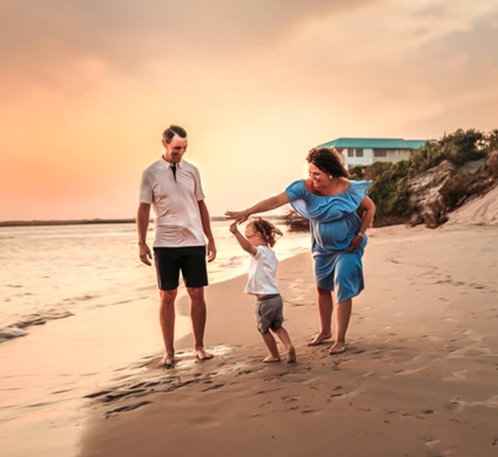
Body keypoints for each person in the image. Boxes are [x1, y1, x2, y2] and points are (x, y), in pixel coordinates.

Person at [226, 146, 375, 355]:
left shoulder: (347, 188)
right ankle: (325, 331)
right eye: (310, 173)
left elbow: (370, 208)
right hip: (322, 249)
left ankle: (340, 339)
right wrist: (250, 211)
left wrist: (359, 235)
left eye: (317, 174)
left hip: (348, 246)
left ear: (329, 172)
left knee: (342, 284)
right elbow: (277, 200)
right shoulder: (303, 188)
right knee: (322, 288)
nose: (312, 178)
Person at [137, 125, 217, 367]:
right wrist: (141, 242)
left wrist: (210, 238)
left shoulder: (192, 171)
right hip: (165, 243)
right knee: (168, 296)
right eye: (176, 148)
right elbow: (142, 208)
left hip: (193, 240)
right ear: (164, 143)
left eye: (184, 148)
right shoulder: (150, 173)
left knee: (197, 294)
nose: (180, 152)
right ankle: (169, 352)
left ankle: (199, 347)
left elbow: (201, 205)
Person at [229, 218, 297, 363]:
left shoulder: (260, 252)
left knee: (264, 329)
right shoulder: (271, 254)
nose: (248, 240)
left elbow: (248, 248)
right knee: (277, 326)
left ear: (258, 235)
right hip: (276, 298)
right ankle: (289, 346)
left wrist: (236, 233)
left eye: (249, 237)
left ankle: (275, 355)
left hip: (265, 301)